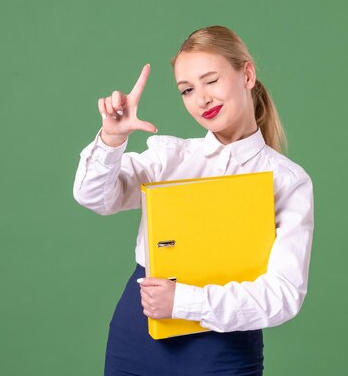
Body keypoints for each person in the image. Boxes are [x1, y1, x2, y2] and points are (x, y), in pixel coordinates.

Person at [72, 25, 314, 376]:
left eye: (211, 80)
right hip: (138, 335)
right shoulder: (171, 158)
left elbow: (283, 294)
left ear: (246, 74)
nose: (201, 99)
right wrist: (111, 138)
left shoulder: (287, 181)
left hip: (223, 348)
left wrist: (183, 302)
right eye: (187, 90)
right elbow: (93, 196)